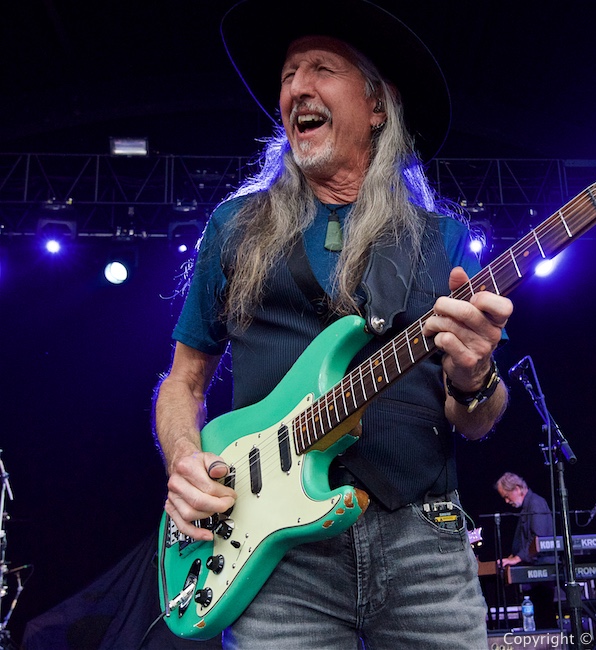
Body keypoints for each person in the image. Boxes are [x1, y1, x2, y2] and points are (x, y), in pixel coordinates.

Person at [153, 1, 512, 648]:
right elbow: (183, 381)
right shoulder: (235, 228)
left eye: (321, 68)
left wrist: (473, 374)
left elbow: (478, 419)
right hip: (272, 550)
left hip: (421, 538)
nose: (295, 87)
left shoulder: (443, 240)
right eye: (289, 74)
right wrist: (185, 459)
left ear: (378, 106)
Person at [495, 472, 555, 628]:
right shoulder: (527, 506)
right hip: (534, 569)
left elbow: (538, 538)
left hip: (542, 570)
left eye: (507, 496)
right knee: (540, 617)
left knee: (545, 617)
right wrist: (513, 556)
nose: (507, 501)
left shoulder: (535, 503)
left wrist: (517, 558)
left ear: (517, 488)